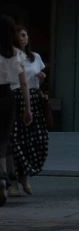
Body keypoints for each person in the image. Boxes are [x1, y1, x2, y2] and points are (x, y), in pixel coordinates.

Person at [8, 26, 49, 196]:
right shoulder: (11, 56)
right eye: (19, 36)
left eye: (24, 35)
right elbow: (19, 82)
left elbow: (35, 79)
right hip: (16, 97)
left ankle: (25, 176)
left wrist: (42, 77)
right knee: (15, 140)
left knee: (38, 139)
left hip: (33, 97)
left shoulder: (35, 57)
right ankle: (16, 180)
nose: (23, 39)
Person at [0, 16, 32, 206]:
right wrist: (27, 108)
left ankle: (2, 177)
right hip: (8, 97)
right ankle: (4, 179)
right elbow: (24, 83)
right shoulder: (17, 54)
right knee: (4, 139)